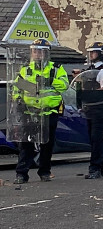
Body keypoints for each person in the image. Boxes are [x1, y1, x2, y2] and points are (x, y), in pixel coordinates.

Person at [13, 39, 69, 184]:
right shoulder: (25, 69)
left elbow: (64, 85)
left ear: (46, 53)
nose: (37, 54)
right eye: (35, 51)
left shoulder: (55, 69)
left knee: (47, 145)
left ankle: (44, 172)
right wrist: (18, 101)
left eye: (40, 51)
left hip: (49, 112)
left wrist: (50, 80)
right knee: (26, 144)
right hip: (29, 113)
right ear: (32, 52)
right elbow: (17, 88)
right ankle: (21, 174)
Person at [84, 41, 103, 179]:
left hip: (100, 107)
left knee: (97, 138)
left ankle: (95, 168)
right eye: (90, 52)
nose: (91, 54)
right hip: (90, 107)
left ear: (101, 54)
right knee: (95, 138)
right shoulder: (89, 69)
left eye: (94, 52)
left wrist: (91, 91)